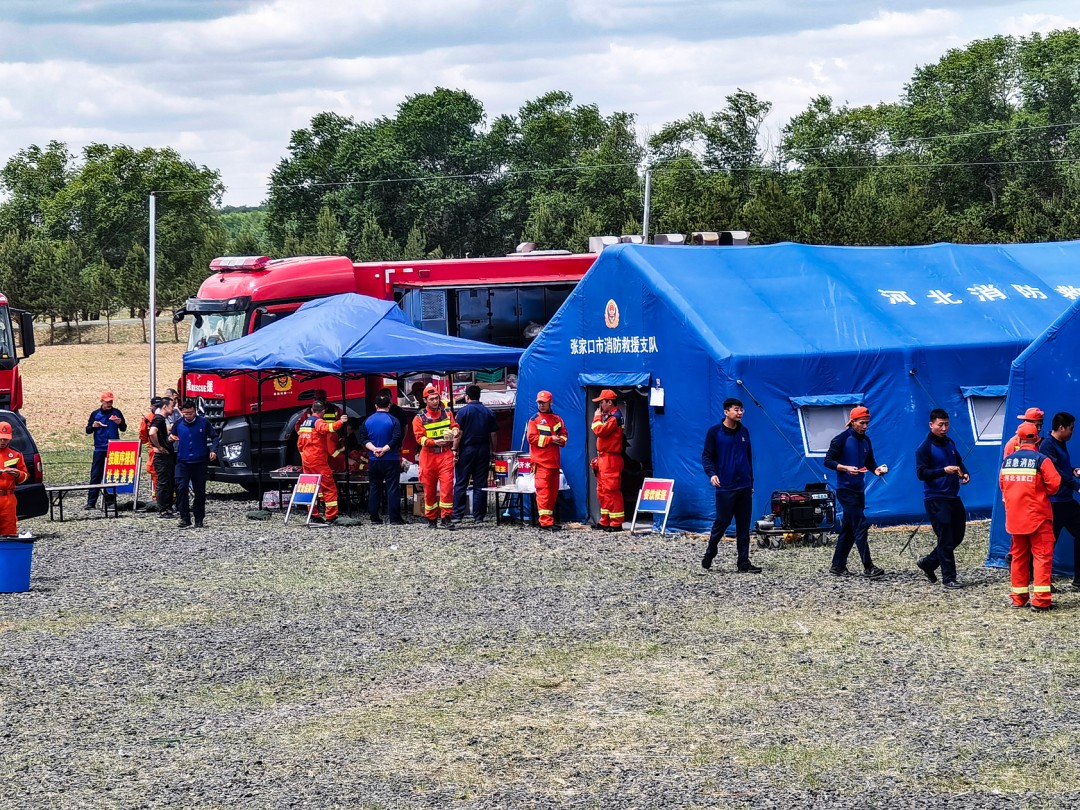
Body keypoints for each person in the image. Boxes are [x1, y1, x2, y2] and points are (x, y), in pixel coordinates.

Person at [1000, 422, 1060, 611]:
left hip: (1015, 519)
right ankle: (1041, 601)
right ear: (1037, 438)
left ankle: (1019, 598)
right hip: (1038, 518)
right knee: (1042, 557)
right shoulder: (1041, 460)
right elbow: (1054, 485)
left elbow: (1003, 487)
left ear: (1018, 439)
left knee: (1018, 557)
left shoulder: (1007, 462)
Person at [825, 405, 888, 579]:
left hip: (859, 489)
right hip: (845, 490)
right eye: (862, 423)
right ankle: (869, 567)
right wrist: (844, 468)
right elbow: (828, 460)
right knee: (860, 525)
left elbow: (870, 461)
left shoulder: (866, 441)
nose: (865, 426)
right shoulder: (841, 439)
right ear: (852, 422)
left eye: (867, 423)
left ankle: (837, 566)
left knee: (849, 528)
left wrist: (876, 470)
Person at [914, 408, 971, 589]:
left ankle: (929, 562)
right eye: (940, 425)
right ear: (931, 425)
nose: (944, 428)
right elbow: (921, 473)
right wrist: (942, 471)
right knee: (945, 538)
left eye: (947, 424)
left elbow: (959, 462)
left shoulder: (950, 443)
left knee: (957, 536)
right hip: (935, 498)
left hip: (953, 497)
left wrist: (965, 473)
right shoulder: (924, 448)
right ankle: (949, 578)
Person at [701, 397, 759, 573]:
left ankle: (743, 562)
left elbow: (748, 458)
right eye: (736, 409)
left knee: (743, 525)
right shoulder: (715, 432)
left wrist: (751, 482)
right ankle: (711, 551)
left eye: (742, 409)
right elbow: (707, 456)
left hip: (744, 486)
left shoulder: (744, 432)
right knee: (722, 522)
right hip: (726, 486)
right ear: (726, 412)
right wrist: (712, 474)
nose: (740, 412)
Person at [1039, 412, 1080, 591]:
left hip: (1066, 501)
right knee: (1048, 544)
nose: (1072, 432)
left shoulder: (1061, 443)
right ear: (1061, 428)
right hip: (1053, 502)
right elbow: (1053, 471)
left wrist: (1073, 470)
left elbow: (1062, 469)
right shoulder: (1047, 445)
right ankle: (1042, 581)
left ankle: (1078, 579)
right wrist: (1075, 485)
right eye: (1071, 429)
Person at [412, 385, 459, 529]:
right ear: (425, 400)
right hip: (428, 456)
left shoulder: (447, 413)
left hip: (445, 454)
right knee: (429, 490)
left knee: (447, 487)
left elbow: (454, 425)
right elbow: (420, 439)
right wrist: (434, 442)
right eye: (431, 399)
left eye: (437, 398)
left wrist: (455, 431)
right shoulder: (419, 418)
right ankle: (431, 519)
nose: (435, 401)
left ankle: (446, 517)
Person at [169, 400, 220, 529]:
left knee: (200, 491)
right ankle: (185, 518)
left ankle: (199, 518)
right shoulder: (178, 424)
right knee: (181, 488)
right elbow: (170, 437)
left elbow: (214, 437)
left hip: (200, 462)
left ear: (195, 411)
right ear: (182, 412)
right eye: (186, 414)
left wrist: (213, 450)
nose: (188, 416)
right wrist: (169, 439)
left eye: (191, 413)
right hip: (182, 462)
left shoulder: (203, 422)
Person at [453, 384, 498, 524]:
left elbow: (458, 433)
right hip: (483, 449)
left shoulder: (462, 412)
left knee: (461, 482)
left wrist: (455, 449)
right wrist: (493, 451)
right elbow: (494, 434)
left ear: (467, 396)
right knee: (480, 483)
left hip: (466, 449)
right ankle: (479, 516)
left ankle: (458, 515)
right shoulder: (489, 412)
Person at [297, 400, 348, 524]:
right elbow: (328, 428)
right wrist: (341, 421)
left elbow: (299, 444)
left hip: (306, 460)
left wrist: (304, 455)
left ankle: (313, 514)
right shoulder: (318, 422)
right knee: (329, 487)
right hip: (318, 460)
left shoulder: (305, 423)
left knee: (311, 487)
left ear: (312, 410)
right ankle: (331, 516)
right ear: (323, 411)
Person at [358, 389, 403, 525]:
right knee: (392, 488)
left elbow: (363, 438)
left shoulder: (367, 421)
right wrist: (384, 449)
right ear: (389, 405)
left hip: (373, 460)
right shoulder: (394, 420)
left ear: (376, 406)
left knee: (374, 487)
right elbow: (397, 438)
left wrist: (374, 449)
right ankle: (394, 518)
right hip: (391, 459)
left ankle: (374, 517)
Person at [526, 390, 567, 531]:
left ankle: (548, 520)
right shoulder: (534, 419)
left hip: (554, 462)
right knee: (543, 492)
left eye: (543, 403)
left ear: (550, 403)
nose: (541, 405)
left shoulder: (557, 419)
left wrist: (561, 441)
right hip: (541, 462)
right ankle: (545, 522)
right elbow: (531, 438)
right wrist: (551, 439)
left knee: (552, 493)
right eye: (539, 403)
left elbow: (564, 434)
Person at [84, 391, 127, 510]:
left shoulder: (117, 412)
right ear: (102, 401)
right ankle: (91, 502)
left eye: (111, 402)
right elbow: (88, 430)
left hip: (114, 447)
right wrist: (94, 426)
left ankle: (110, 502)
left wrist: (120, 422)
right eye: (107, 402)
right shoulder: (95, 414)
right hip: (99, 448)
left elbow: (123, 428)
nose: (109, 404)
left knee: (112, 475)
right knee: (96, 475)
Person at [591, 389, 626, 532]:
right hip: (604, 458)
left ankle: (616, 523)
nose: (599, 406)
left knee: (612, 491)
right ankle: (605, 520)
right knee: (602, 491)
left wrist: (597, 417)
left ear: (609, 402)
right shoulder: (609, 416)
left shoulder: (614, 417)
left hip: (611, 459)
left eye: (601, 402)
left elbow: (600, 431)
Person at [296, 389, 346, 471]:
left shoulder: (335, 409)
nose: (321, 401)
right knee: (324, 474)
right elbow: (298, 425)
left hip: (331, 441)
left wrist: (342, 436)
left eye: (322, 398)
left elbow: (345, 425)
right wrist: (305, 436)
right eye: (319, 399)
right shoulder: (309, 413)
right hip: (318, 446)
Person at [148, 397, 177, 518]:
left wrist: (168, 440)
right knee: (163, 482)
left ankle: (168, 507)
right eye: (172, 406)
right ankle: (163, 509)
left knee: (169, 481)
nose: (173, 408)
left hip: (166, 454)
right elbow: (151, 432)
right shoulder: (159, 419)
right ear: (165, 407)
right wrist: (158, 446)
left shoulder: (162, 419)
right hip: (161, 456)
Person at [0, 421, 28, 536]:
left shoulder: (16, 455)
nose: (2, 442)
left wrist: (17, 474)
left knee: (9, 532)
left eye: (5, 439)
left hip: (8, 499)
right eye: (0, 438)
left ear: (10, 439)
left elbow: (25, 476)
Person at [139, 396, 163, 502]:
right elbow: (143, 436)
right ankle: (156, 497)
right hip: (154, 450)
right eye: (156, 406)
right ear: (151, 407)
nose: (157, 408)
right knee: (155, 474)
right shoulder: (147, 419)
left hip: (167, 450)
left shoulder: (167, 416)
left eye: (159, 406)